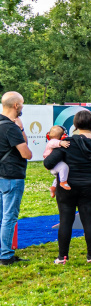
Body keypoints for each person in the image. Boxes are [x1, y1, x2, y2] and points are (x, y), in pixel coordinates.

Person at [44, 109, 91, 264]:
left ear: (75, 124)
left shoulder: (68, 143)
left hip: (68, 186)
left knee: (66, 220)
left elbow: (48, 163)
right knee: (89, 220)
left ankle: (62, 257)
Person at [0, 92, 32, 266]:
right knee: (9, 217)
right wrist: (19, 129)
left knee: (1, 216)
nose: (23, 106)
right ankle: (5, 255)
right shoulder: (10, 128)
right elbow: (26, 153)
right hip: (12, 176)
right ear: (16, 106)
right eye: (22, 103)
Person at [43, 126, 72, 197]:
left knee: (58, 176)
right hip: (54, 165)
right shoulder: (52, 142)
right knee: (64, 167)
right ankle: (63, 182)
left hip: (54, 165)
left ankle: (53, 187)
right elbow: (53, 143)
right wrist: (61, 143)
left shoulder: (52, 141)